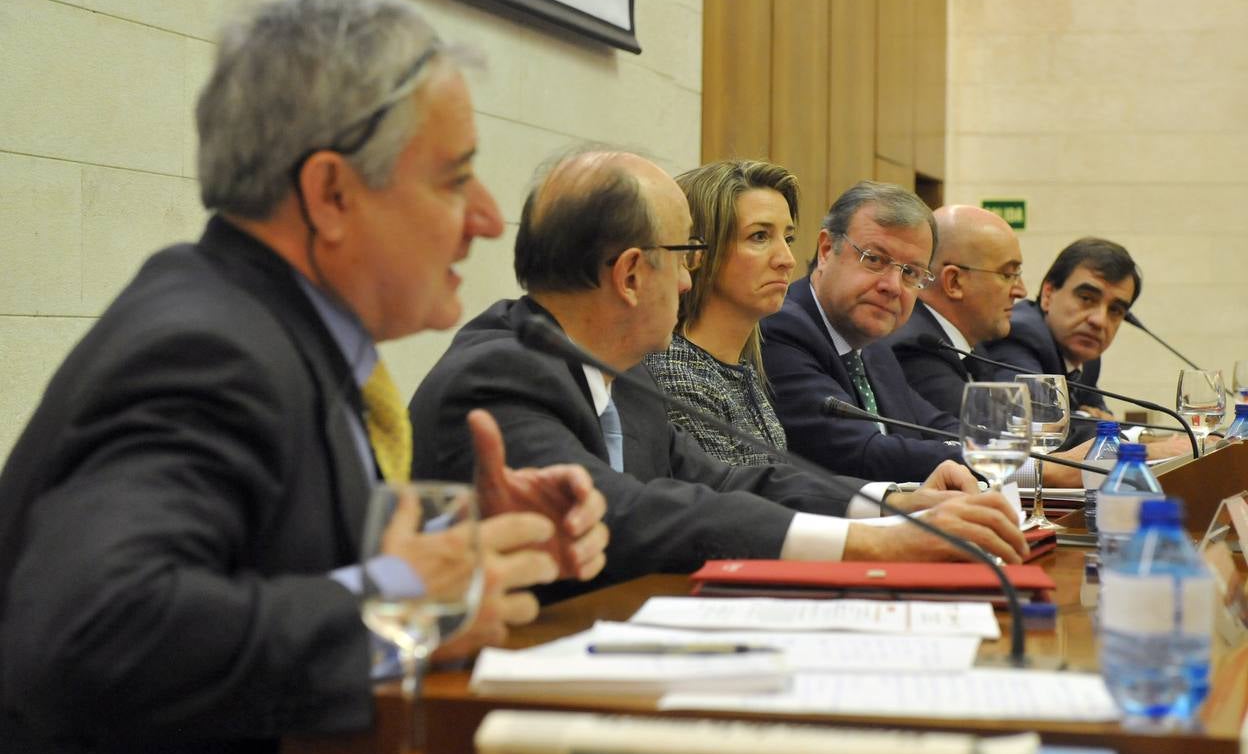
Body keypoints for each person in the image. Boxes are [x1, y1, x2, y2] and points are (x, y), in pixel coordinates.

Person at [0, 0, 608, 754]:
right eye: (456, 178)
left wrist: (465, 547)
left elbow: (258, 571)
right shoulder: (209, 349)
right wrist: (404, 598)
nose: (489, 220)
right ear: (331, 195)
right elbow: (89, 634)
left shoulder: (277, 331)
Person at [409, 149, 1030, 604]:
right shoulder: (500, 371)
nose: (687, 282)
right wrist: (879, 545)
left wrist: (895, 504)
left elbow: (734, 479)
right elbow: (625, 510)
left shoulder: (621, 379)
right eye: (683, 258)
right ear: (630, 275)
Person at [760, 181, 966, 482]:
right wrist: (1011, 463)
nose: (893, 287)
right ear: (827, 250)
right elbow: (862, 453)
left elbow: (936, 427)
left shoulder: (873, 345)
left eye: (910, 273)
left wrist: (1024, 457)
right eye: (874, 260)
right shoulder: (782, 326)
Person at [643, 159, 798, 466]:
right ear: (696, 252)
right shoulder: (674, 372)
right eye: (759, 237)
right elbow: (736, 505)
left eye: (788, 238)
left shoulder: (741, 371)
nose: (787, 259)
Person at [885, 204, 1027, 418]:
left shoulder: (971, 345)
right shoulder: (916, 348)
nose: (1021, 291)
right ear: (954, 282)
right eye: (1007, 274)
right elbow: (991, 428)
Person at [979, 237, 1137, 420]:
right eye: (1087, 298)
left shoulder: (1087, 358)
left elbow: (1102, 417)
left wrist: (1138, 435)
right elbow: (1033, 422)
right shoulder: (1019, 336)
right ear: (1048, 295)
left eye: (1115, 310)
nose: (1099, 321)